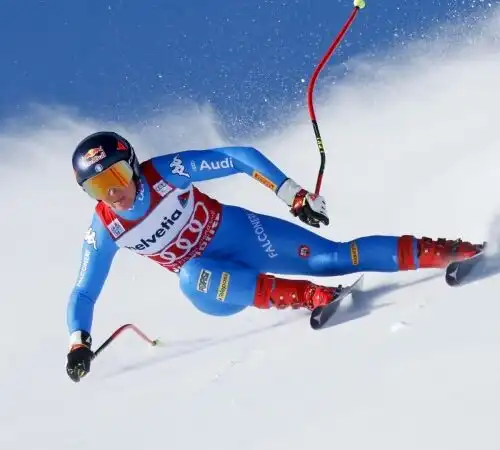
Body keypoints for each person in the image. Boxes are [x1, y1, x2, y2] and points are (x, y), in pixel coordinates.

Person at [65, 131, 483, 382]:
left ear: (133, 166)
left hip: (243, 235)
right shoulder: (106, 228)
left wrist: (292, 194)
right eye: (98, 189)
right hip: (217, 288)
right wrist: (77, 344)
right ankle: (308, 297)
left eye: (116, 177)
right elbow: (84, 292)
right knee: (191, 275)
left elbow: (240, 157)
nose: (113, 193)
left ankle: (447, 252)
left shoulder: (165, 173)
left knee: (333, 258)